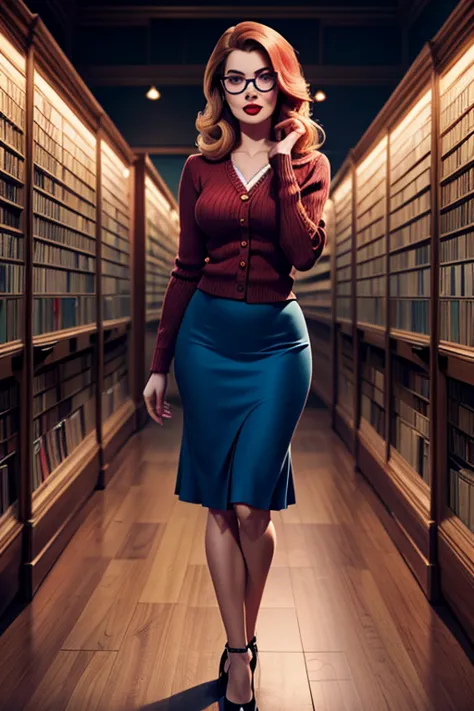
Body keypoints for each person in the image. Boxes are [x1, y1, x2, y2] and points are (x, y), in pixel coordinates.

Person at [143, 20, 330, 711]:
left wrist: (281, 165)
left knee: (255, 506)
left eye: (262, 77)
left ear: (281, 83)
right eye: (235, 78)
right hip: (206, 344)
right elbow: (185, 267)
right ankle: (238, 650)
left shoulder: (309, 164)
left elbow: (303, 253)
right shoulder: (199, 168)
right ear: (219, 88)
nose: (249, 91)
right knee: (220, 505)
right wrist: (160, 362)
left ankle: (243, 639)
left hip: (278, 348)